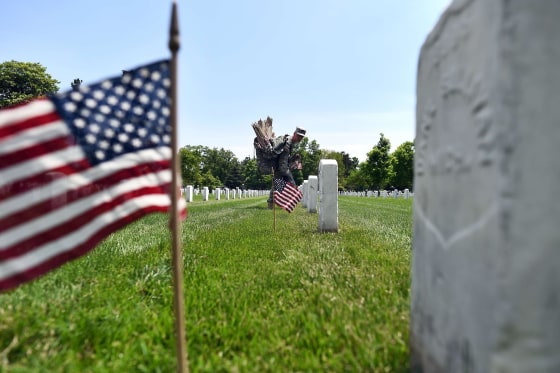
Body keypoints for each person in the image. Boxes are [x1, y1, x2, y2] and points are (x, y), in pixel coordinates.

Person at [267, 126, 306, 209]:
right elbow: (283, 162)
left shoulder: (290, 142)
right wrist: (288, 176)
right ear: (294, 133)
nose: (300, 138)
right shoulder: (287, 143)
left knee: (277, 185)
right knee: (284, 185)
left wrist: (293, 159)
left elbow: (285, 158)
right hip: (279, 167)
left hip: (279, 167)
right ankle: (273, 204)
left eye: (301, 137)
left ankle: (271, 204)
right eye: (298, 136)